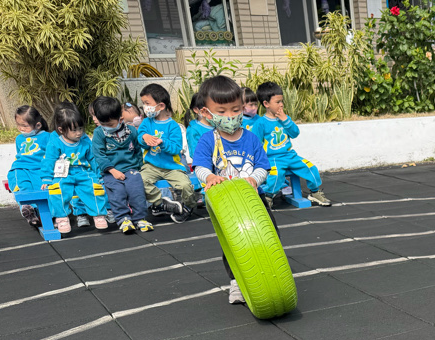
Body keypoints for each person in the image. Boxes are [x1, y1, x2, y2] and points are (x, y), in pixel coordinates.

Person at [191, 75, 275, 305]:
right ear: (207, 113)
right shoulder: (208, 140)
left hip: (255, 201)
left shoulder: (251, 138)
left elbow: (263, 166)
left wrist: (254, 180)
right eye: (222, 111)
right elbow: (199, 167)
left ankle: (269, 273)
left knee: (270, 236)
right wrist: (209, 176)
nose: (230, 116)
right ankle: (236, 281)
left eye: (236, 109)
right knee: (233, 245)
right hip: (227, 206)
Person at [251, 81, 332, 207]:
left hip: (290, 156)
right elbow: (254, 143)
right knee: (276, 175)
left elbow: (295, 133)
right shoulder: (260, 123)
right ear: (266, 104)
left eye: (282, 101)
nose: (281, 105)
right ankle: (268, 196)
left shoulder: (285, 118)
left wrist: (285, 120)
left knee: (311, 168)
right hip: (273, 158)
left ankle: (315, 192)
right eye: (277, 102)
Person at [41, 102, 108, 234]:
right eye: (74, 130)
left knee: (94, 187)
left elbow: (93, 159)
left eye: (80, 129)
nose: (79, 133)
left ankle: (99, 215)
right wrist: (46, 179)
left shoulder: (84, 142)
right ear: (61, 130)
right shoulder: (55, 142)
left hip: (83, 172)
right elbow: (48, 161)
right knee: (57, 190)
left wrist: (99, 175)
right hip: (63, 174)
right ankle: (62, 217)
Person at [91, 96, 154, 234]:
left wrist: (139, 167)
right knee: (117, 192)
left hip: (131, 168)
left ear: (120, 119)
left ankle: (140, 218)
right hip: (110, 171)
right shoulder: (99, 133)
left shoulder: (131, 131)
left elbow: (137, 149)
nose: (106, 127)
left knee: (136, 189)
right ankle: (123, 219)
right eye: (103, 124)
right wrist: (112, 171)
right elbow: (99, 155)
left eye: (110, 124)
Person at [137, 83, 195, 222]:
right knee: (140, 181)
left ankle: (189, 206)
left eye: (147, 103)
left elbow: (175, 148)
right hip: (151, 166)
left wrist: (162, 142)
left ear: (161, 106)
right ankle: (160, 203)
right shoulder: (146, 123)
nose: (145, 107)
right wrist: (144, 137)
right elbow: (140, 138)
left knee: (185, 185)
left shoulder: (173, 126)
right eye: (143, 103)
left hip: (172, 167)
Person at [9, 105, 50, 228]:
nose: (21, 128)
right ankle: (27, 208)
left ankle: (39, 213)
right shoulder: (19, 139)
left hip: (39, 168)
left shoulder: (47, 136)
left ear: (38, 125)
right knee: (23, 185)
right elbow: (19, 155)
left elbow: (51, 154)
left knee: (40, 189)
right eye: (18, 125)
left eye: (25, 126)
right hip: (21, 167)